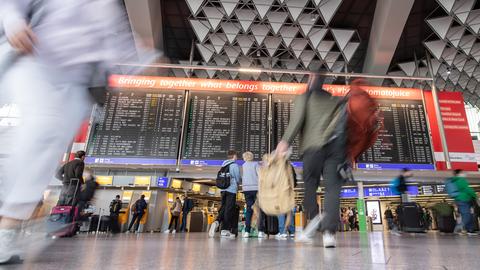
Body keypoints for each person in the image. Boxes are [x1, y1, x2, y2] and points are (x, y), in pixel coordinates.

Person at [0, 0, 153, 263]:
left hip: (77, 85)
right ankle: (9, 224)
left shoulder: (106, 8)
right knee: (43, 127)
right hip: (34, 62)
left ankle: (11, 224)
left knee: (47, 147)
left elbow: (121, 51)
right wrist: (14, 22)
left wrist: (146, 58)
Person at [276, 74, 346, 248]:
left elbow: (296, 121)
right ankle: (329, 234)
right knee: (332, 189)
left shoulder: (304, 97)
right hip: (336, 149)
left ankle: (314, 219)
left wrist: (284, 142)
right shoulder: (334, 100)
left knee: (310, 184)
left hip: (312, 148)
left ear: (310, 80)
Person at [209, 150, 241, 238]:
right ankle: (225, 230)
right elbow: (237, 178)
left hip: (223, 190)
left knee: (223, 207)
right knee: (229, 209)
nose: (237, 158)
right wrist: (239, 182)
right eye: (236, 156)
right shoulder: (234, 165)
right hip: (231, 190)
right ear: (234, 156)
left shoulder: (223, 165)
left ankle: (217, 222)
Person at [447, 169, 478, 235]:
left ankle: (470, 230)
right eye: (463, 172)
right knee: (467, 215)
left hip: (460, 199)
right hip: (463, 199)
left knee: (468, 214)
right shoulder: (460, 180)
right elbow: (467, 189)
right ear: (459, 173)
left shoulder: (454, 180)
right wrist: (474, 195)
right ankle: (458, 228)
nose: (465, 174)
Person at [240, 151, 259, 238]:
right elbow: (260, 175)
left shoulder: (243, 166)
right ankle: (260, 231)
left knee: (249, 210)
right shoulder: (256, 164)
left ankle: (247, 231)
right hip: (256, 188)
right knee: (258, 209)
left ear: (245, 158)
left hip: (246, 189)